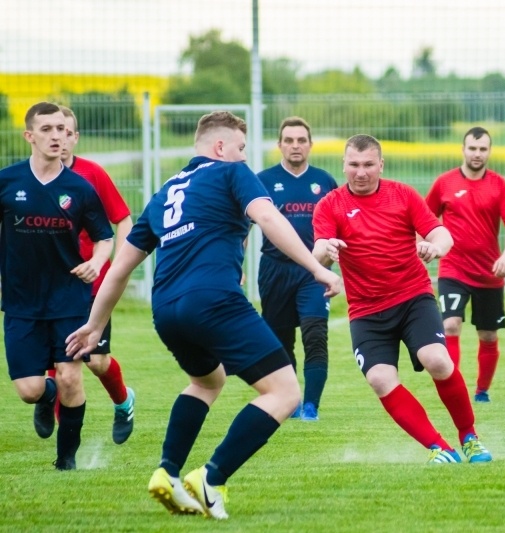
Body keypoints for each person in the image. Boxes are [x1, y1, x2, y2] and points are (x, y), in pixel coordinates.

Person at [65, 111, 341, 519]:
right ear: (220, 147)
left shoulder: (164, 193)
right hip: (213, 300)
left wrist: (95, 323)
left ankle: (168, 472)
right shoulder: (233, 172)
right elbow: (268, 218)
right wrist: (317, 268)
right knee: (285, 392)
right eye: (241, 147)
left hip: (166, 309)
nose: (244, 154)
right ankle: (212, 478)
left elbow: (121, 267)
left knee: (207, 380)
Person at [312, 134, 492, 464]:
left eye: (368, 165)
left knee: (437, 359)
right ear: (344, 165)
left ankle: (469, 437)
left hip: (413, 298)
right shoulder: (330, 205)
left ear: (381, 165)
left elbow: (440, 232)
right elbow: (318, 252)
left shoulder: (402, 195)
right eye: (354, 165)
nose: (361, 172)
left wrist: (436, 247)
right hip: (366, 310)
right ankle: (440, 448)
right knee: (380, 379)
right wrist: (326, 251)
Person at [0, 102, 114, 470]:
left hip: (69, 300)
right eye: (46, 129)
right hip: (20, 301)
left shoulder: (79, 188)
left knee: (69, 376)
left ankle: (66, 461)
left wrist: (96, 263)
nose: (56, 136)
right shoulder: (7, 181)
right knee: (30, 390)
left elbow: (104, 237)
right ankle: (46, 398)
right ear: (29, 136)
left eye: (61, 130)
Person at [43, 106, 136, 445]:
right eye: (53, 131)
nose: (60, 138)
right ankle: (64, 444)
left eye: (67, 132)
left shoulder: (92, 174)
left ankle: (123, 402)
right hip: (52, 286)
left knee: (95, 361)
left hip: (93, 286)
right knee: (61, 361)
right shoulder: (33, 180)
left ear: (75, 137)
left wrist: (117, 265)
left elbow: (123, 219)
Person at [425, 127, 505, 404]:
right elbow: (425, 217)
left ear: (489, 151)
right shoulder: (444, 183)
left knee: (487, 334)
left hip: (489, 273)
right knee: (451, 324)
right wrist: (424, 245)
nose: (477, 154)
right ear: (463, 149)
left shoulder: (499, 185)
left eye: (482, 149)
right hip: (453, 269)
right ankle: (454, 388)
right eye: (472, 148)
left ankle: (481, 391)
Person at [256, 117, 338, 421]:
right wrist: (233, 266)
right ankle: (291, 401)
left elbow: (341, 226)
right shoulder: (261, 180)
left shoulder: (325, 182)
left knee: (315, 334)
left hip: (313, 272)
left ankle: (311, 406)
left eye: (301, 140)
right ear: (279, 145)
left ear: (310, 145)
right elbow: (241, 227)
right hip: (274, 270)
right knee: (280, 340)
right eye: (289, 140)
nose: (295, 145)